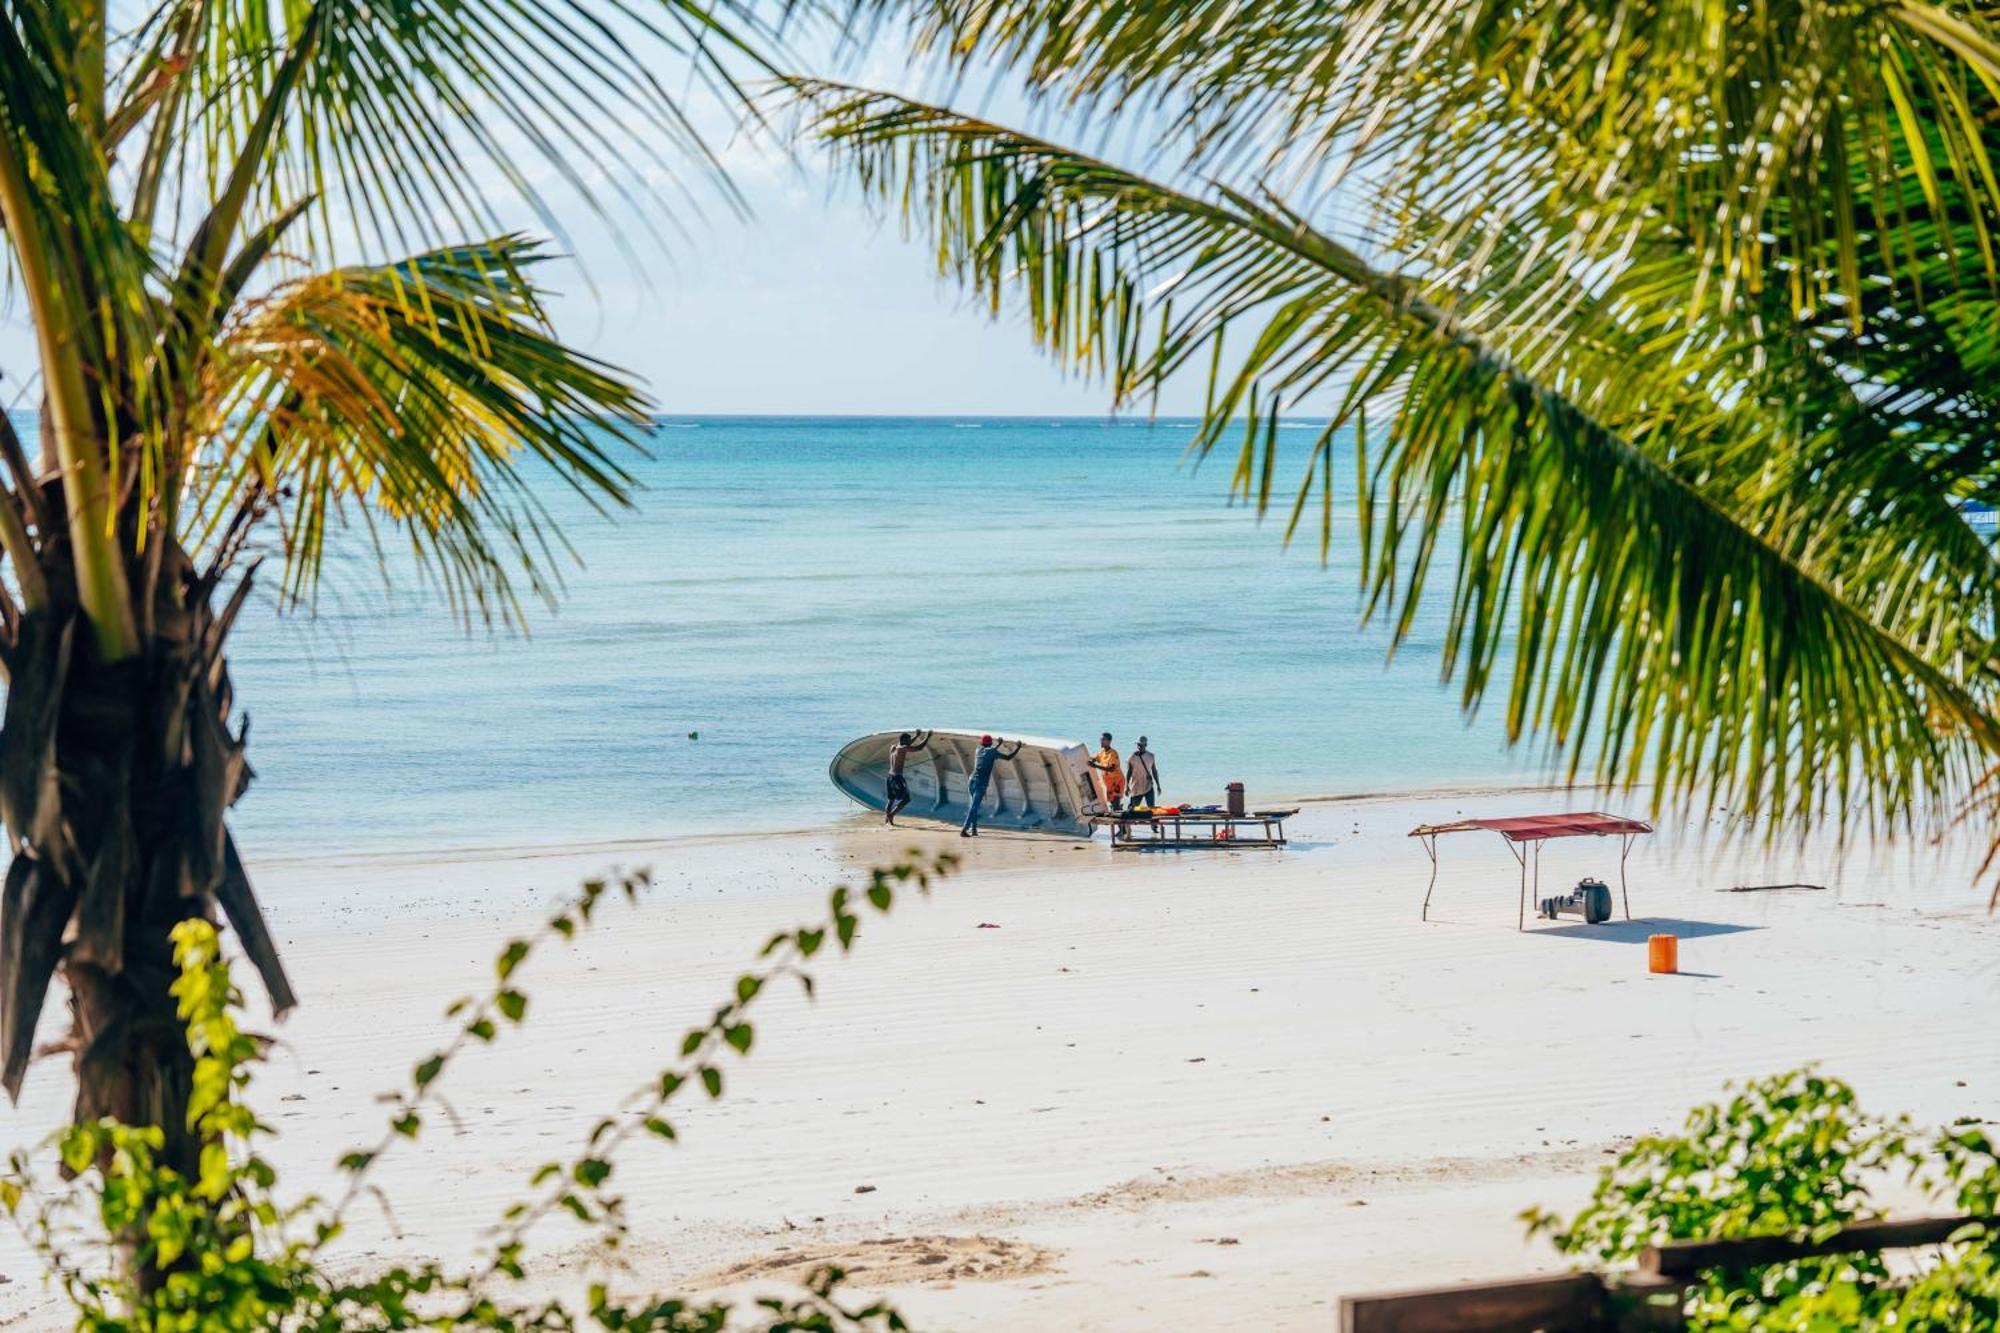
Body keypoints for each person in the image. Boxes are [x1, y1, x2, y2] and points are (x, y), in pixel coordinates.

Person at [962, 734, 1023, 837]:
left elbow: (989, 752)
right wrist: (1018, 747)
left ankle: (974, 830)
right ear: (990, 743)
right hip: (980, 783)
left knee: (973, 805)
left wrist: (998, 745)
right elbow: (1008, 757)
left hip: (971, 780)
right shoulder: (992, 752)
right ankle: (965, 829)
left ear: (982, 743)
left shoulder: (978, 750)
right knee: (974, 807)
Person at [884, 729, 931, 826]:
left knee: (891, 800)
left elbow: (907, 744)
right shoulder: (903, 748)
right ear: (905, 741)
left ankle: (887, 819)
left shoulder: (894, 747)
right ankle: (892, 815)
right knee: (906, 799)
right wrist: (928, 737)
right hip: (897, 777)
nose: (910, 742)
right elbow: (919, 748)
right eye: (908, 740)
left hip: (889, 777)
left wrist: (916, 736)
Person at [1088, 732, 1124, 811]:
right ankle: (1120, 814)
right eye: (1101, 739)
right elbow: (1094, 759)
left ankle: (1121, 821)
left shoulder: (1113, 753)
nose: (1101, 741)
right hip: (1108, 783)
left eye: (1103, 739)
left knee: (1116, 805)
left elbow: (1111, 769)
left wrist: (1096, 766)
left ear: (1109, 741)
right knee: (1112, 803)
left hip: (1117, 782)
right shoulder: (1101, 753)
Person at [1125, 736, 1161, 810]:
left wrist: (1158, 785)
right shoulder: (1132, 757)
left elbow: (1154, 771)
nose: (1139, 747)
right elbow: (1129, 772)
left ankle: (1152, 821)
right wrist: (1127, 786)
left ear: (1146, 745)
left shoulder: (1151, 756)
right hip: (1136, 787)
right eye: (1138, 745)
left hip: (1148, 786)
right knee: (1133, 809)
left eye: (1141, 745)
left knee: (1151, 809)